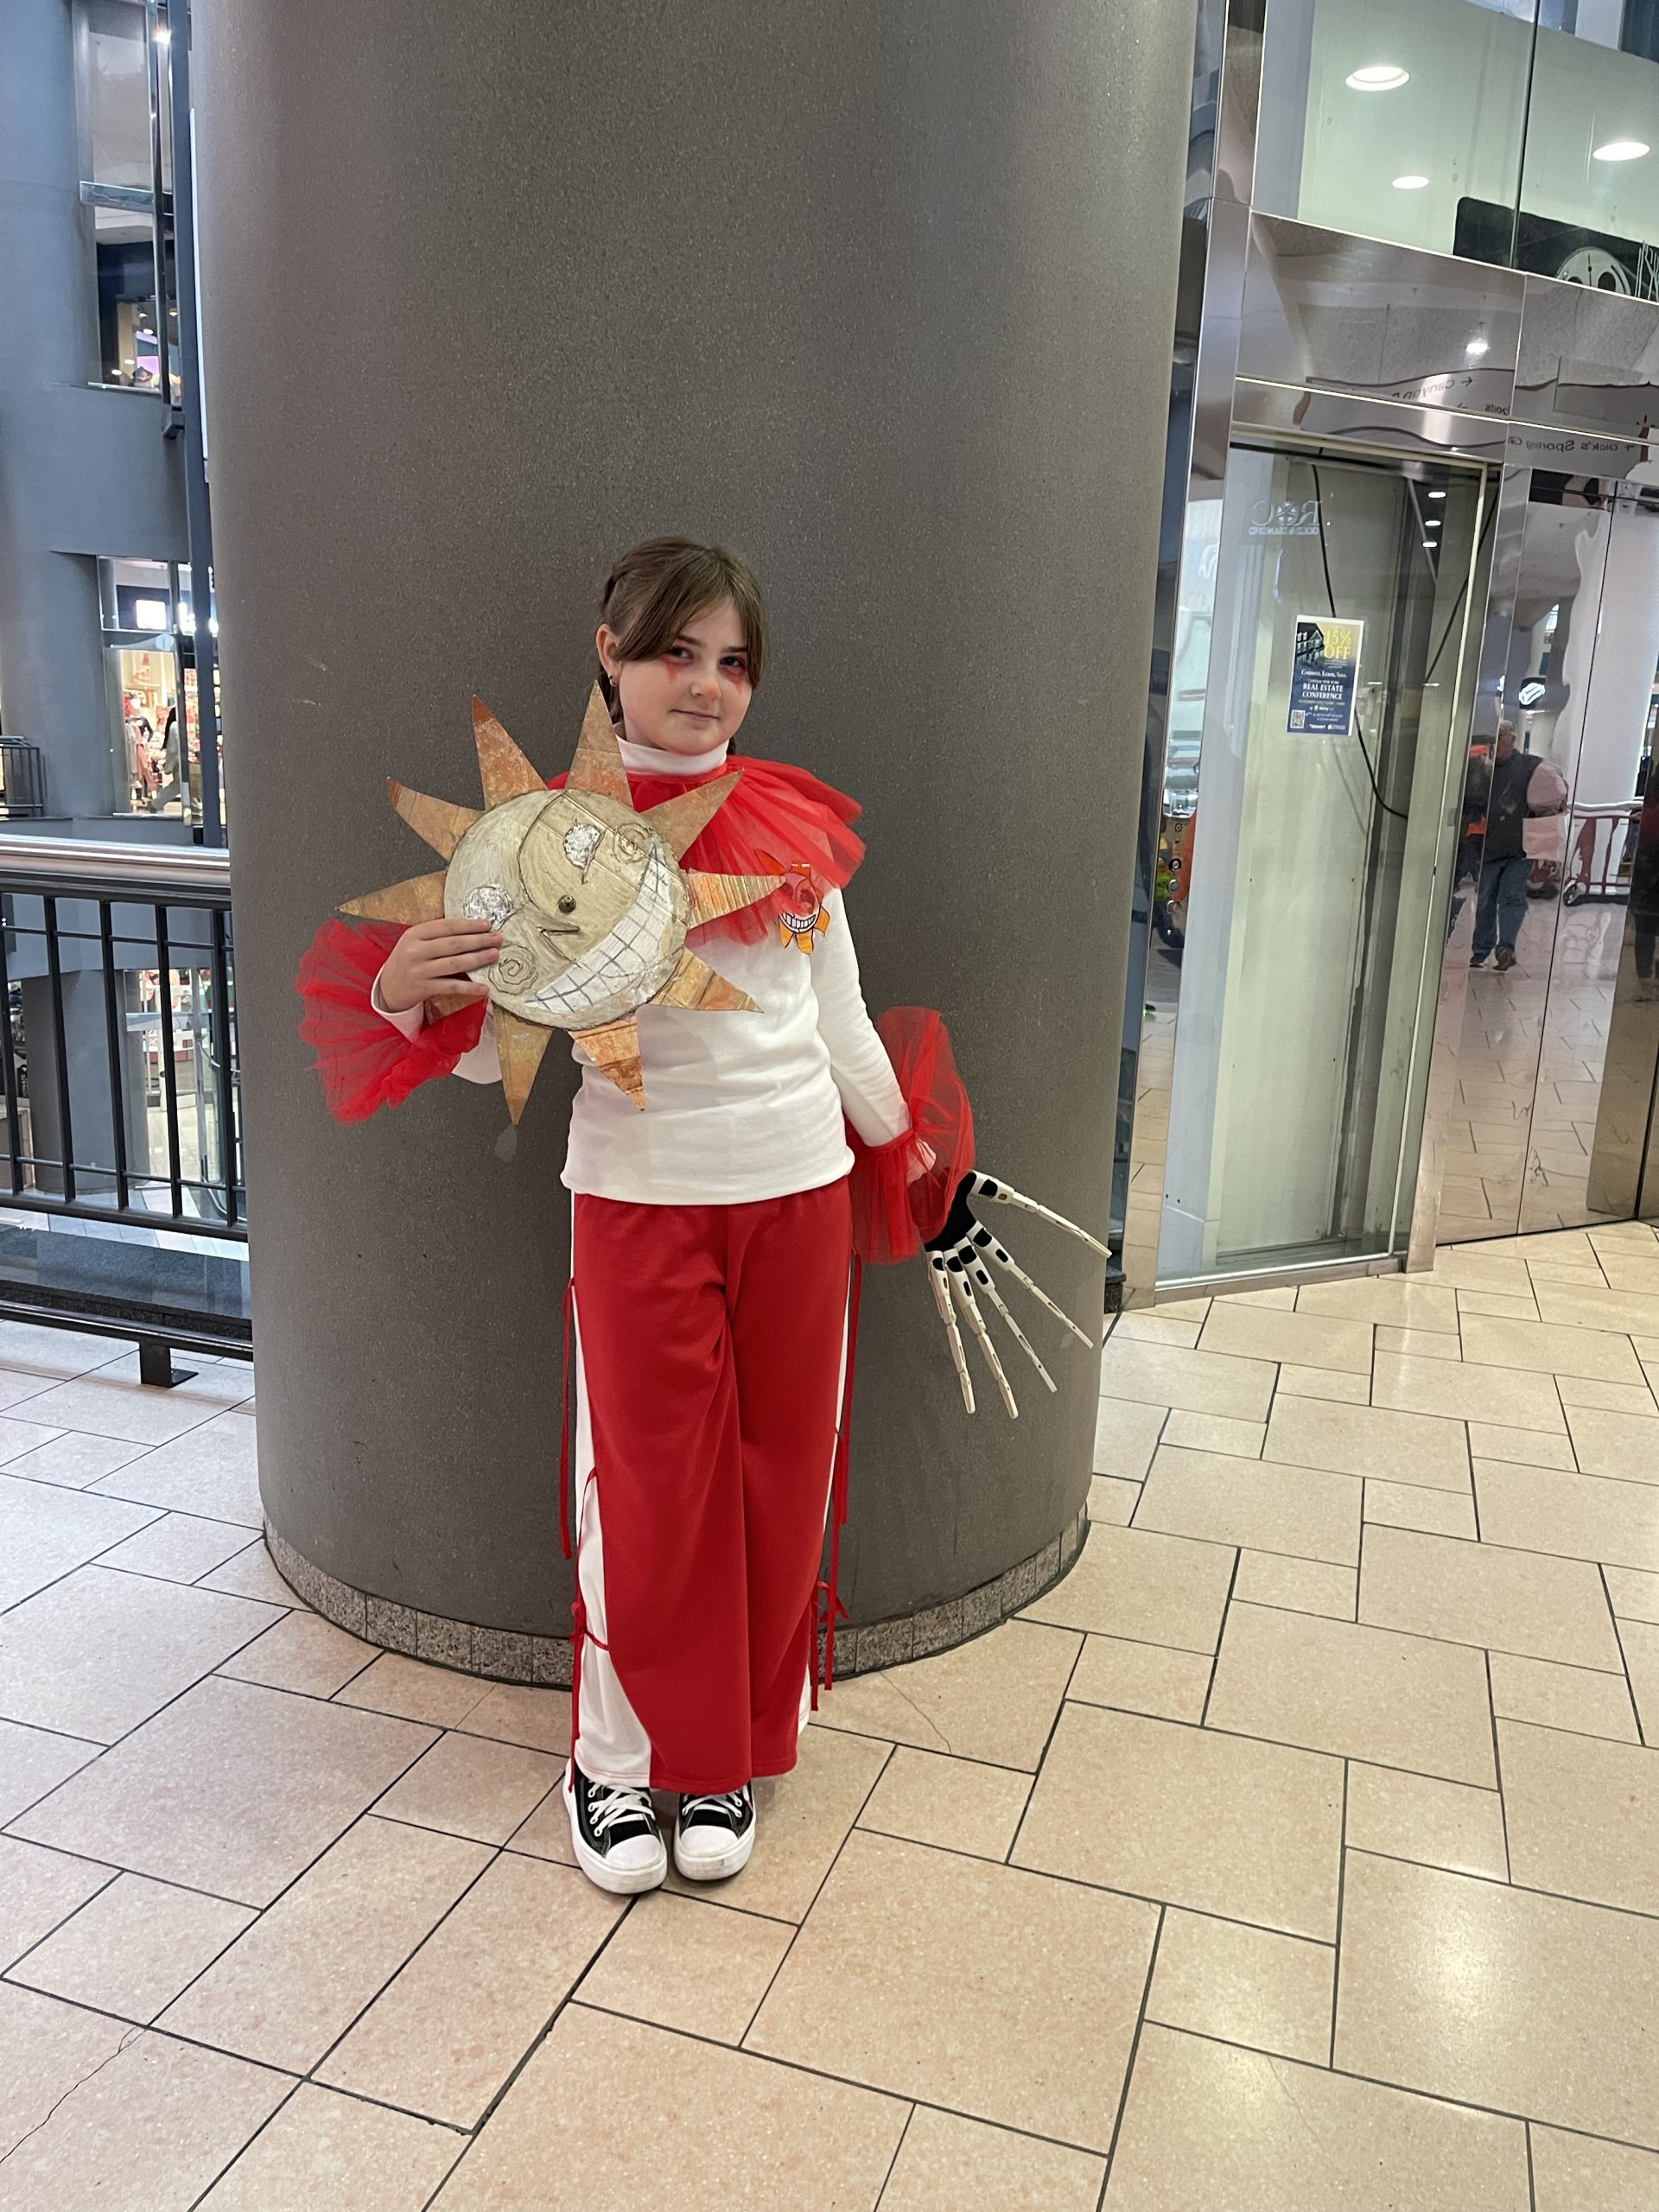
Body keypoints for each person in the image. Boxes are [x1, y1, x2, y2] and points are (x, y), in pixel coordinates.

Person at [300, 539, 1020, 1898]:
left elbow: (843, 1027)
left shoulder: (793, 830)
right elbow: (485, 1052)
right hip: (639, 1207)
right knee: (639, 1497)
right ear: (610, 655)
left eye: (732, 663)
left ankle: (726, 1754)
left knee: (779, 1481)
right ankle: (615, 1763)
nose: (704, 685)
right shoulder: (544, 846)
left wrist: (919, 1171)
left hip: (800, 1197)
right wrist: (405, 991)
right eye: (675, 653)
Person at [1471, 721, 1549, 972]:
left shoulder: (1531, 765)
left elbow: (1549, 795)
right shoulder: (1485, 770)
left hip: (1519, 848)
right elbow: (1475, 803)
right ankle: (1480, 950)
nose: (1497, 743)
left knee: (1511, 897)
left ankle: (1506, 949)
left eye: (1502, 737)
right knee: (1485, 900)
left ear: (1513, 739)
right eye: (1495, 738)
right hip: (1489, 847)